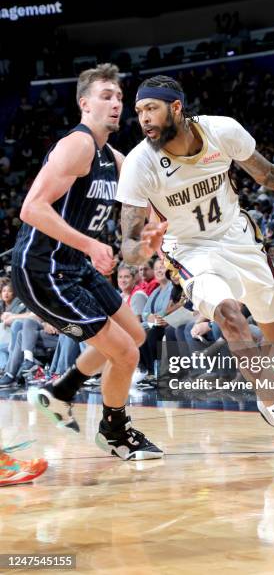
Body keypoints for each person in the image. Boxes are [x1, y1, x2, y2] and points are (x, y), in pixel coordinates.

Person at [116, 75, 274, 477]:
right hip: (190, 252)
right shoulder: (139, 163)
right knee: (231, 316)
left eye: (151, 109)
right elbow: (128, 245)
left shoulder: (222, 130)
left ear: (177, 108)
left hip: (240, 239)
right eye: (139, 112)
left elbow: (271, 175)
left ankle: (265, 391)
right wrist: (142, 248)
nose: (143, 119)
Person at [11, 64, 166, 461]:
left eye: (118, 97)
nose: (116, 104)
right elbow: (31, 208)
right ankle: (115, 433)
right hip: (43, 269)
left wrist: (154, 232)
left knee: (135, 336)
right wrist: (92, 245)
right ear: (85, 104)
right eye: (105, 96)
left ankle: (60, 391)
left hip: (74, 267)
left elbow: (142, 211)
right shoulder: (76, 146)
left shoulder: (112, 157)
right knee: (126, 354)